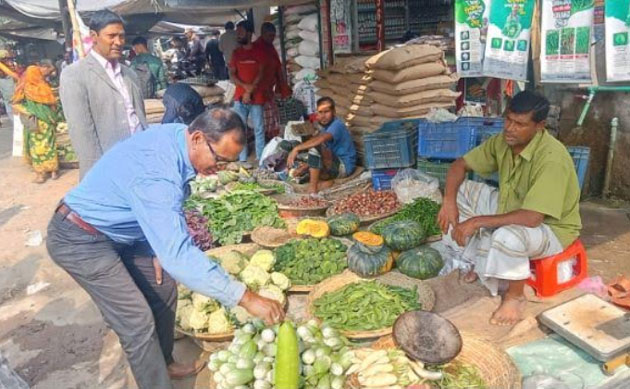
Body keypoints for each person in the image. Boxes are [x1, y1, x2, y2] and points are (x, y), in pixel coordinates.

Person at [46, 108, 285, 389]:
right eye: (218, 159)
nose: (218, 169)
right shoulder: (158, 174)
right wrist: (246, 297)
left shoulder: (177, 137)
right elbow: (179, 256)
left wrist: (155, 247)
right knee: (136, 320)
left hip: (123, 233)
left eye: (227, 163)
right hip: (80, 238)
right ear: (197, 138)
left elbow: (156, 216)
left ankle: (164, 362)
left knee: (162, 287)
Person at [437, 90, 582, 326]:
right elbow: (460, 165)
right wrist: (448, 201)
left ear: (540, 126)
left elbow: (533, 218)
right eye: (508, 120)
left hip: (551, 227)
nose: (510, 128)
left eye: (520, 124)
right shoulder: (504, 142)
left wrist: (475, 221)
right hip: (513, 207)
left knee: (507, 236)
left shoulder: (552, 158)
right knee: (463, 191)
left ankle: (515, 296)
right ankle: (476, 262)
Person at [60, 10, 147, 179]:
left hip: (140, 159)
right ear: (94, 36)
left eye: (121, 36)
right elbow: (82, 132)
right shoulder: (75, 75)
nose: (118, 42)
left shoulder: (130, 74)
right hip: (109, 166)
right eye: (111, 36)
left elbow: (140, 117)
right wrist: (98, 175)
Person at [287, 97, 357, 194]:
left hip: (344, 167)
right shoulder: (325, 128)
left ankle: (312, 190)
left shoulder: (337, 125)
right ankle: (323, 183)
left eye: (326, 112)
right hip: (332, 164)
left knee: (315, 145)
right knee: (290, 149)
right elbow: (321, 155)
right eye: (320, 112)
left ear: (334, 112)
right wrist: (305, 167)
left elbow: (321, 140)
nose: (323, 116)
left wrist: (297, 149)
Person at [12, 60, 63, 183]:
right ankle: (53, 171)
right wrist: (52, 117)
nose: (45, 74)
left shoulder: (25, 88)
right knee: (50, 145)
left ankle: (41, 174)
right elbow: (53, 105)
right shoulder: (44, 87)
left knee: (36, 147)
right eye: (45, 71)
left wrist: (29, 112)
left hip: (35, 122)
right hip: (48, 121)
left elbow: (16, 104)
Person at [229, 20, 267, 162]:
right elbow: (233, 74)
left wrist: (250, 91)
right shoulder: (236, 53)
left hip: (256, 97)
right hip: (240, 98)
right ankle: (242, 160)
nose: (238, 35)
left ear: (250, 33)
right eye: (237, 33)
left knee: (258, 129)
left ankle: (261, 160)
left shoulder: (259, 52)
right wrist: (246, 88)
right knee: (240, 129)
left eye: (241, 32)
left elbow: (261, 73)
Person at [254, 22, 291, 139]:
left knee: (271, 117)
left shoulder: (271, 47)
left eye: (273, 36)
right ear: (263, 33)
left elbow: (278, 67)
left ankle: (270, 137)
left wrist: (283, 88)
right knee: (262, 121)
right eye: (269, 36)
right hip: (258, 90)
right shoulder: (256, 48)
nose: (272, 38)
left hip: (269, 88)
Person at [0, 49, 17, 120]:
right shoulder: (4, 67)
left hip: (13, 93)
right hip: (8, 94)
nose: (7, 60)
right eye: (4, 58)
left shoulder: (10, 65)